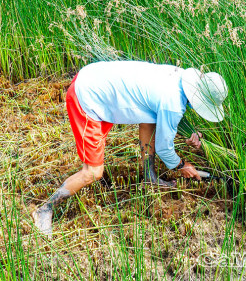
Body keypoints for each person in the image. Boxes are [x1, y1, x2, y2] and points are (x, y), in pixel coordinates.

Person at [32, 60, 228, 236]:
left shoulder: (176, 74)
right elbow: (164, 149)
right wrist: (181, 166)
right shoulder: (173, 104)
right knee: (92, 172)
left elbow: (150, 120)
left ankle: (149, 177)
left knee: (149, 120)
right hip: (87, 96)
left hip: (95, 76)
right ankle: (45, 209)